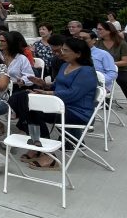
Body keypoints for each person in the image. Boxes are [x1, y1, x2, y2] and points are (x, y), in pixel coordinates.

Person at [18, 36, 99, 169]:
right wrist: (45, 84)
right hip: (59, 106)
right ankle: (40, 147)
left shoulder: (86, 71)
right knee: (29, 108)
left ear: (78, 53)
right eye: (62, 49)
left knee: (34, 109)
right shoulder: (65, 65)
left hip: (77, 112)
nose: (62, 52)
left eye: (66, 50)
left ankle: (50, 156)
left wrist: (47, 93)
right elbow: (57, 86)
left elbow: (73, 94)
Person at [93, 21, 127, 114]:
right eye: (97, 29)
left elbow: (125, 62)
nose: (97, 31)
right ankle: (103, 101)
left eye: (100, 29)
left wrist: (109, 64)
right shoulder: (97, 43)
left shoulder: (121, 43)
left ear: (109, 30)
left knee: (122, 80)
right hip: (103, 71)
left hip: (123, 70)